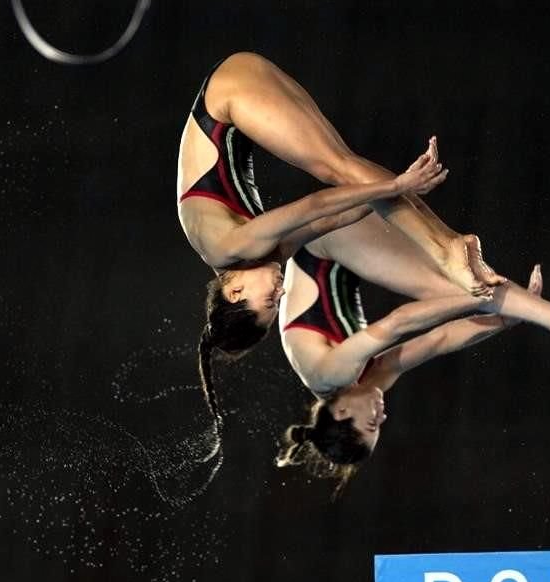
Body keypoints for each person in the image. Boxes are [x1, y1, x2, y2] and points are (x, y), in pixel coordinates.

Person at [179, 53, 505, 424]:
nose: (281, 293)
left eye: (269, 299)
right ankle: (450, 244)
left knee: (334, 167)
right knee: (348, 170)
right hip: (239, 86)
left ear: (233, 291)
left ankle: (448, 248)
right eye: (278, 301)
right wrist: (388, 194)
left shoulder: (230, 248)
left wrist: (395, 186)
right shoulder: (259, 257)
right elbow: (335, 218)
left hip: (225, 97)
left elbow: (315, 203)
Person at [274, 247, 550, 491]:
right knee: (459, 284)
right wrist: (505, 319)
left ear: (340, 412)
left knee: (454, 287)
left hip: (323, 245)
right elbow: (438, 341)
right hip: (346, 252)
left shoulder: (328, 377)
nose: (382, 417)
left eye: (371, 423)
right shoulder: (365, 385)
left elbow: (401, 322)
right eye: (379, 428)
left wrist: (479, 298)